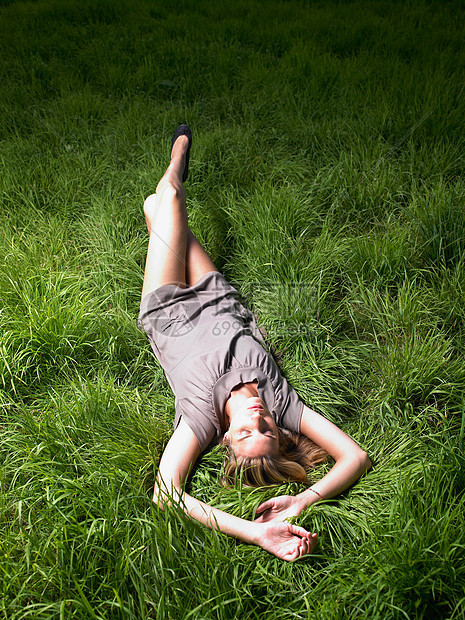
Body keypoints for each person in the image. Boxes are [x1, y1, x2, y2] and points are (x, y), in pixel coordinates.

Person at [138, 125, 371, 562]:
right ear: (280, 433)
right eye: (267, 431)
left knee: (165, 201)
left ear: (226, 437)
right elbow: (356, 458)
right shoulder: (285, 408)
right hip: (217, 295)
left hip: (167, 307)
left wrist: (253, 532)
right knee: (158, 208)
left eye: (247, 431)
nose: (259, 419)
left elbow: (166, 493)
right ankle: (173, 177)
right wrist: (304, 500)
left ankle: (178, 152)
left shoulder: (199, 421)